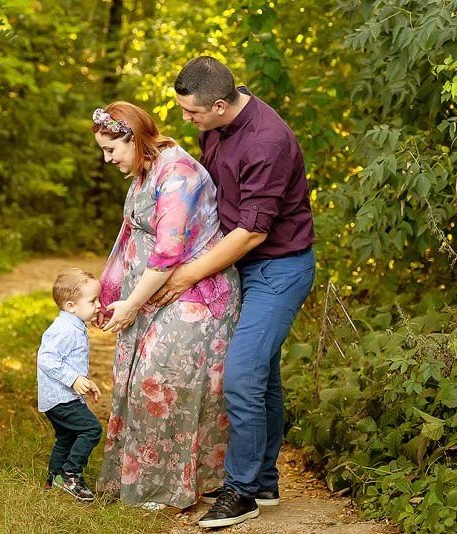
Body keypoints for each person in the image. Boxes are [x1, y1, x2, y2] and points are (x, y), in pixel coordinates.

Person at [153, 56, 316, 528]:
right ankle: (263, 482)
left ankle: (240, 491)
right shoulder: (216, 126)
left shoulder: (268, 142)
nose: (187, 120)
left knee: (241, 375)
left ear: (220, 104)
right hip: (237, 265)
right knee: (263, 376)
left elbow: (251, 232)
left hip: (277, 269)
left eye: (192, 113)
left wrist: (186, 275)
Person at [91, 102, 242, 511]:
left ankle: (170, 486)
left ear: (134, 139)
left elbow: (167, 253)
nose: (108, 159)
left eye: (111, 149)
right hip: (153, 294)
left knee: (162, 383)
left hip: (192, 295)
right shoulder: (145, 171)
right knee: (141, 379)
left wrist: (130, 304)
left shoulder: (178, 173)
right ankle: (151, 481)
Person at [36, 268, 104, 502]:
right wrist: (73, 379)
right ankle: (71, 475)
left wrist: (83, 382)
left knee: (66, 437)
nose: (98, 306)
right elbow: (46, 358)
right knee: (91, 430)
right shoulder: (65, 329)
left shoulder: (73, 324)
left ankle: (53, 479)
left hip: (58, 397)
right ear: (71, 306)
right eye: (93, 300)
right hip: (61, 397)